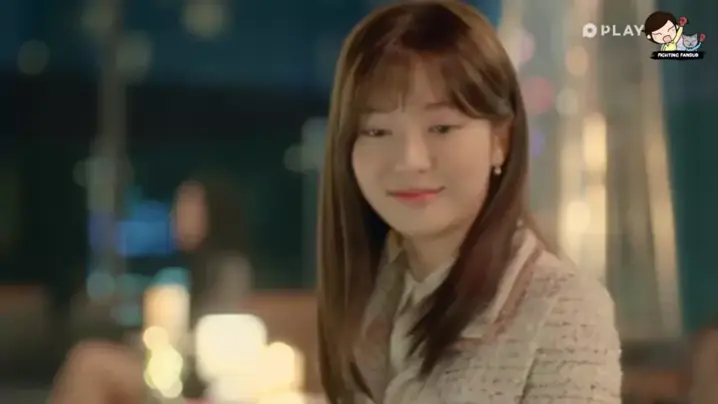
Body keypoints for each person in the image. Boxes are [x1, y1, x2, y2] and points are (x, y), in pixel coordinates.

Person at [49, 1, 621, 403]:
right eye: (377, 131)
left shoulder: (563, 310)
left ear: (502, 140)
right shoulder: (383, 287)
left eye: (442, 128)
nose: (409, 159)